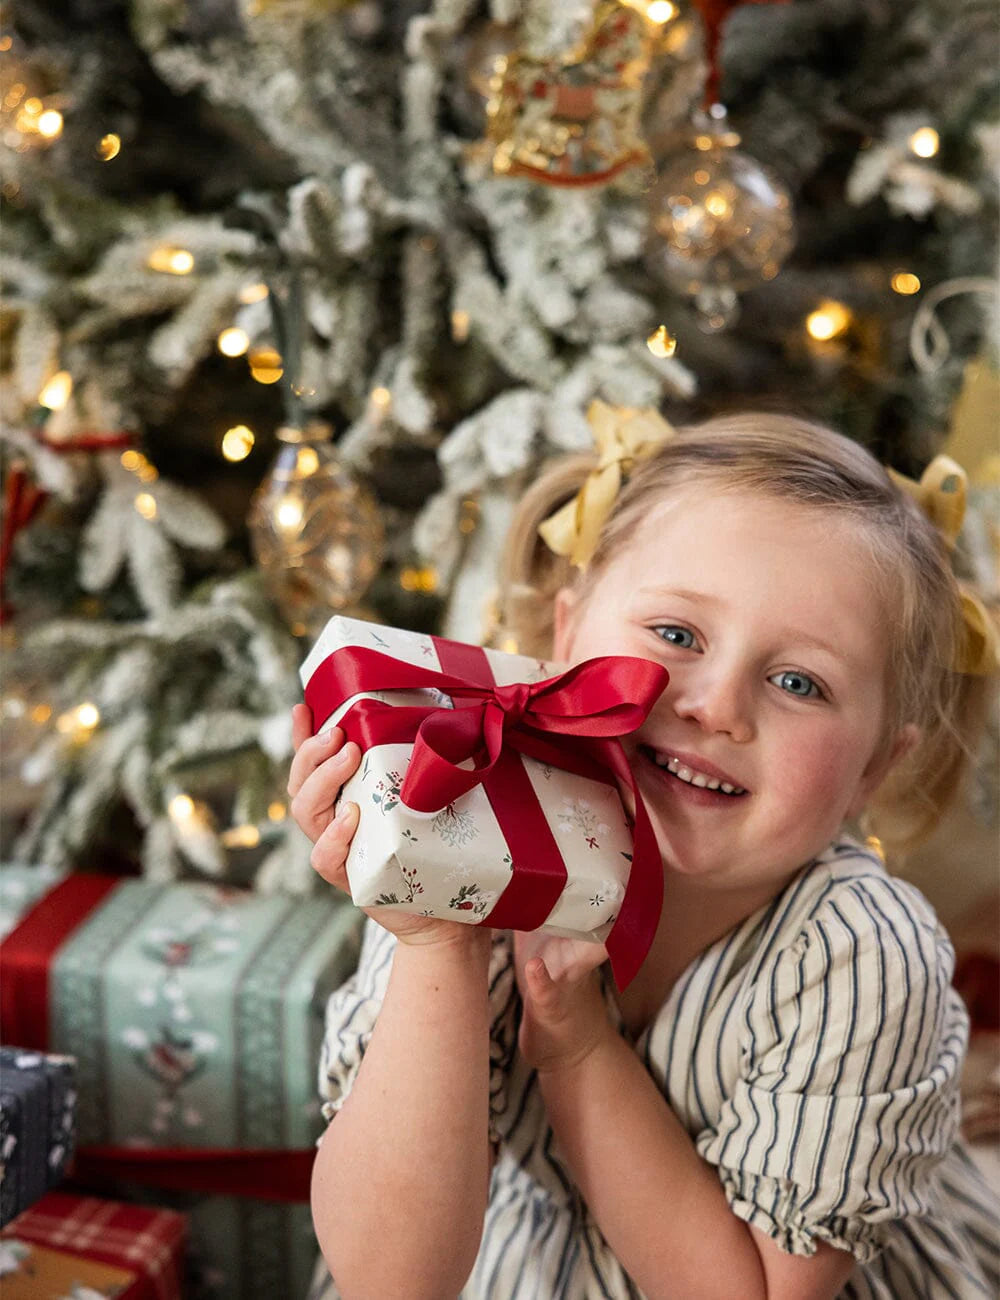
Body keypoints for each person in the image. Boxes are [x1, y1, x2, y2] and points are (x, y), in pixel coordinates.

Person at [289, 407, 1000, 1300]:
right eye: (676, 635)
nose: (716, 705)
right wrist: (438, 945)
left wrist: (581, 1046)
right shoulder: (465, 826)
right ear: (567, 633)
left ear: (872, 770)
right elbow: (391, 1279)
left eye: (798, 683)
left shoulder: (861, 952)